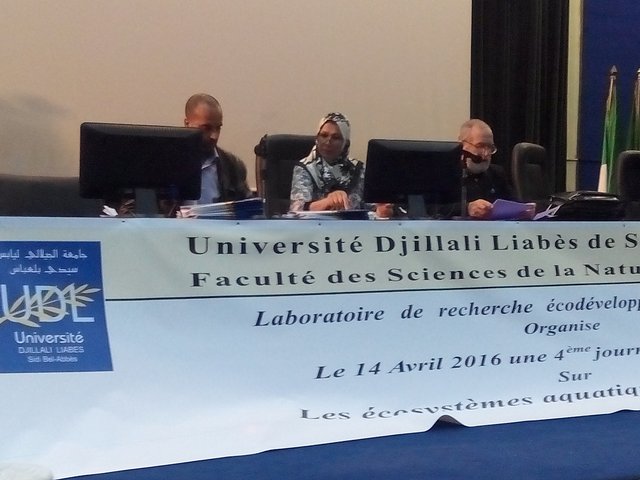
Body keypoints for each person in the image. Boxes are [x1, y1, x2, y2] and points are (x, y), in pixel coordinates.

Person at [108, 93, 251, 216]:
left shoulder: (232, 166)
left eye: (218, 128)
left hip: (217, 235)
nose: (214, 136)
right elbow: (132, 208)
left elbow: (248, 209)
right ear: (187, 123)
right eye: (206, 128)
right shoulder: (161, 162)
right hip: (170, 234)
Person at [289, 112, 364, 211]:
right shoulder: (306, 167)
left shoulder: (357, 169)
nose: (328, 141)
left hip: (353, 221)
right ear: (317, 138)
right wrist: (328, 201)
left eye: (336, 137)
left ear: (346, 143)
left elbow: (369, 207)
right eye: (324, 135)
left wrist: (380, 209)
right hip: (316, 221)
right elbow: (297, 209)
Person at [459, 119, 514, 219]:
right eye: (480, 146)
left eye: (490, 147)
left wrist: (525, 210)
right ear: (463, 145)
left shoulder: (496, 173)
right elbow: (431, 208)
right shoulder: (446, 173)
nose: (486, 153)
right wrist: (467, 208)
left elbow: (513, 203)